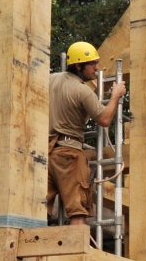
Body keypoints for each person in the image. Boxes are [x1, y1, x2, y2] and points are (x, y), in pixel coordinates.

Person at [46, 40, 126, 227]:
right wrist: (115, 96)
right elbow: (104, 119)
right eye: (92, 64)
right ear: (78, 66)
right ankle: (76, 256)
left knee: (41, 207)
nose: (96, 69)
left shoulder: (51, 79)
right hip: (70, 154)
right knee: (78, 211)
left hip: (46, 152)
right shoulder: (82, 91)